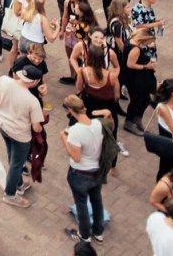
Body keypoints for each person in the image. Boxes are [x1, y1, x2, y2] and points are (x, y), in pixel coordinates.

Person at [58, 95, 106, 245]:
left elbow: (76, 157)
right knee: (97, 200)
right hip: (96, 171)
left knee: (82, 204)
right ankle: (98, 232)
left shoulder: (75, 131)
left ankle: (84, 235)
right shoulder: (98, 124)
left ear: (71, 110)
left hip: (79, 174)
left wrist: (64, 138)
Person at [0, 65, 44, 205]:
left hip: (3, 126)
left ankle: (19, 184)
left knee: (12, 158)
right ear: (35, 82)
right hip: (20, 135)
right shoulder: (33, 101)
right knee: (17, 164)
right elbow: (36, 127)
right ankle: (10, 194)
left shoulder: (3, 80)